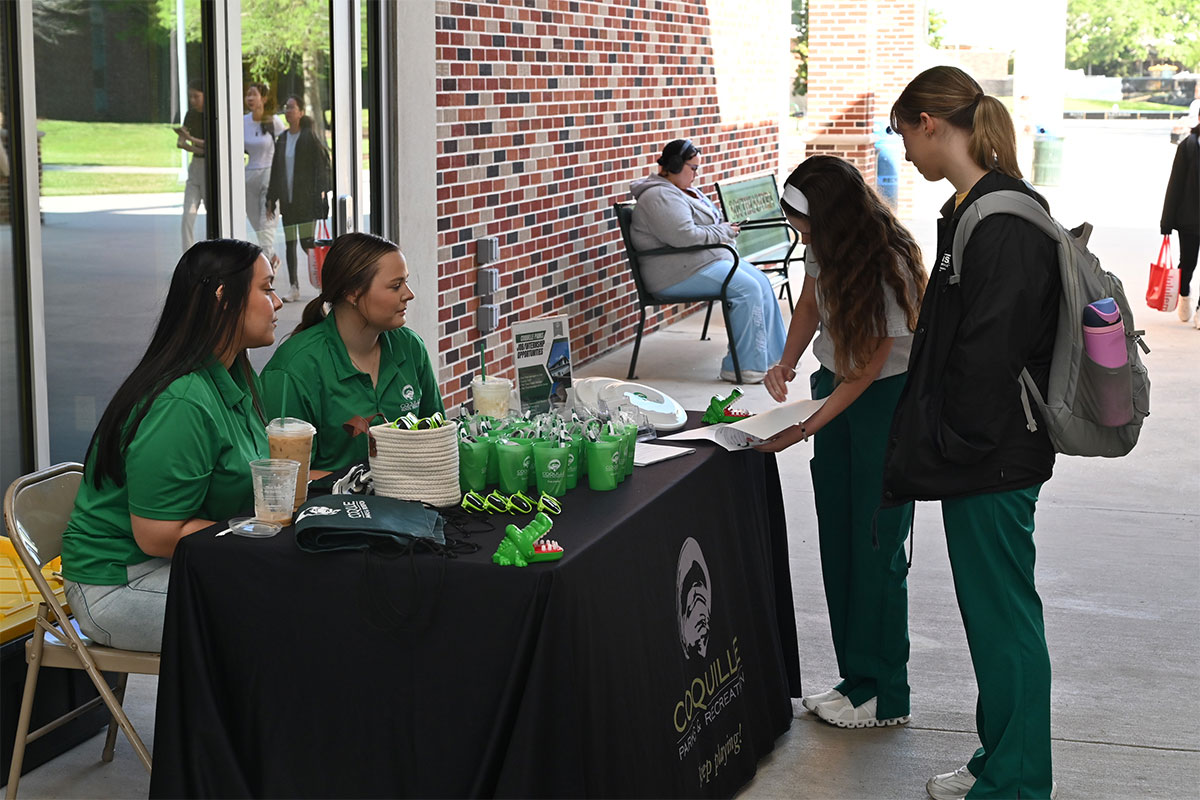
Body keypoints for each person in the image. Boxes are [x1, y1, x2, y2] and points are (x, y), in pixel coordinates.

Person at [884, 66, 1061, 800]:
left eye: (903, 134)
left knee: (1006, 622)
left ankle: (1018, 783)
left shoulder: (1006, 219)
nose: (905, 153)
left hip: (994, 457)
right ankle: (1002, 759)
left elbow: (989, 355)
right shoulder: (973, 207)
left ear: (930, 122)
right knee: (993, 621)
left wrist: (953, 446)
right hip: (981, 455)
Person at [754, 155, 926, 730]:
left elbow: (871, 365)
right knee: (839, 536)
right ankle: (855, 679)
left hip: (879, 401)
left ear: (830, 216)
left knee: (874, 546)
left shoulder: (886, 261)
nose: (798, 232)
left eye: (802, 221)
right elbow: (809, 302)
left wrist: (806, 425)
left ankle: (884, 691)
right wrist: (786, 360)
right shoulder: (824, 244)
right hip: (837, 390)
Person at [61, 240, 282, 653]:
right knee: (285, 615)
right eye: (267, 289)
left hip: (179, 564)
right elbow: (157, 535)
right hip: (119, 583)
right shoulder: (180, 400)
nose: (279, 302)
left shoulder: (233, 376)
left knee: (306, 592)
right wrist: (262, 536)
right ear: (223, 298)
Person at [262, 232, 444, 472]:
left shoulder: (410, 348)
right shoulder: (293, 369)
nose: (409, 294)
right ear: (352, 293)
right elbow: (284, 477)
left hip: (412, 503)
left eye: (406, 282)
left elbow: (438, 438)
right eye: (396, 285)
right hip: (328, 506)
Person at [628, 138, 786, 383]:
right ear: (675, 165)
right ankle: (742, 367)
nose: (696, 174)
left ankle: (773, 358)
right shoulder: (659, 196)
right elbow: (684, 236)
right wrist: (723, 232)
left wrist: (721, 230)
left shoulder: (681, 190)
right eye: (693, 168)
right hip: (674, 274)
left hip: (697, 264)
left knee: (762, 282)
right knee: (747, 289)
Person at [267, 96, 331, 303]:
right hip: (288, 201)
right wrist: (271, 198)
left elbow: (322, 168)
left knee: (307, 244)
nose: (288, 111)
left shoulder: (309, 138)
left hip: (306, 202)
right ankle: (294, 287)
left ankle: (326, 284)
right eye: (286, 107)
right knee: (289, 243)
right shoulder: (283, 138)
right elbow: (276, 170)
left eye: (292, 108)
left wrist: (321, 196)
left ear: (301, 112)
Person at [1160, 115, 1199, 327]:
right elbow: (1175, 184)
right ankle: (1184, 295)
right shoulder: (1188, 146)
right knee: (1187, 264)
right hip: (1190, 220)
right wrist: (1166, 221)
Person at [244, 82, 286, 267]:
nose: (250, 98)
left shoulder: (273, 121)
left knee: (266, 225)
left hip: (270, 176)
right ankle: (272, 257)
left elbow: (285, 145)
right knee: (256, 225)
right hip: (248, 177)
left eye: (254, 94)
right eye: (247, 94)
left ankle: (266, 271)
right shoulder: (243, 121)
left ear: (264, 98)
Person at [177, 79, 206, 251]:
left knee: (215, 214)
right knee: (188, 215)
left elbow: (212, 146)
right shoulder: (191, 115)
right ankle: (188, 257)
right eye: (191, 97)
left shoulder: (211, 115)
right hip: (195, 166)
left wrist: (190, 140)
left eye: (196, 96)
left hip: (210, 169)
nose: (193, 100)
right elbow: (186, 144)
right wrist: (184, 140)